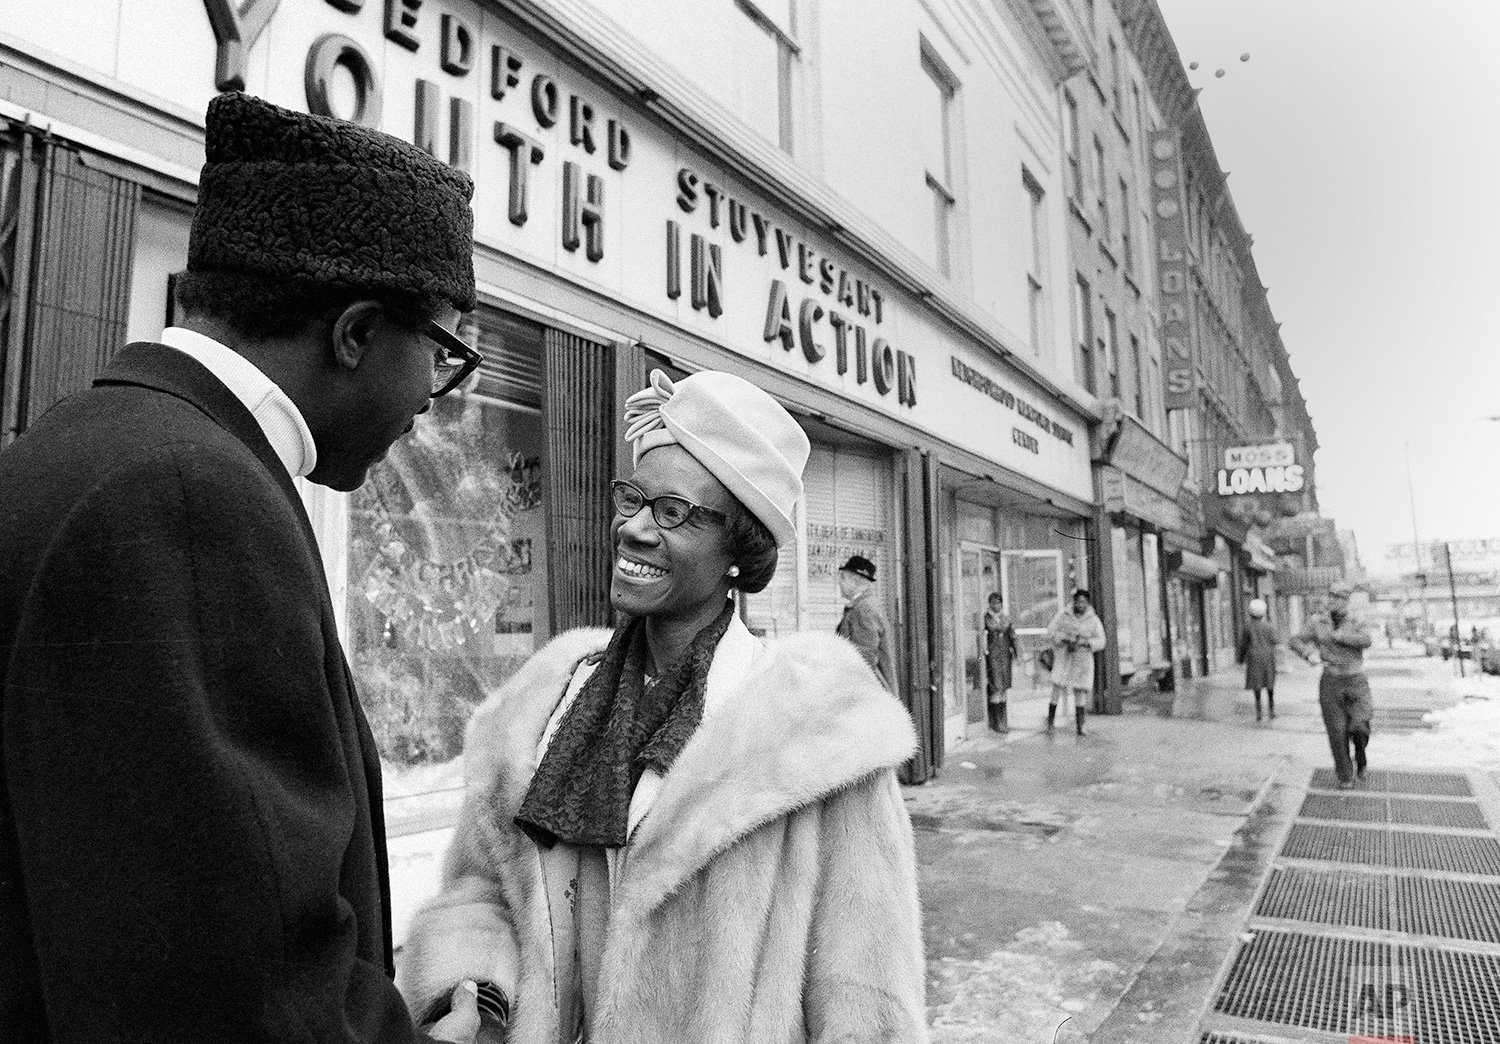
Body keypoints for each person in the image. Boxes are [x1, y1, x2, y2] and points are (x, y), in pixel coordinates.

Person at [0, 93, 485, 1043]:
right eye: (441, 354)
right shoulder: (188, 501)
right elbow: (230, 988)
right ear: (356, 334)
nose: (432, 399)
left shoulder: (99, 445)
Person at [397, 369, 928, 1043]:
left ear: (740, 548)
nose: (635, 530)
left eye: (673, 513)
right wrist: (478, 996)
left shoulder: (816, 739)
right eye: (633, 500)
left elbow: (866, 1003)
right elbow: (482, 889)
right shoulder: (551, 700)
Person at [1291, 581, 1374, 789]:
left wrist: (1341, 637)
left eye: (1337, 597)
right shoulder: (1317, 622)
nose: (1332, 601)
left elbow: (1366, 640)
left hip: (1356, 680)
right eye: (1330, 596)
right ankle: (1345, 775)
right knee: (1337, 731)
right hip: (1330, 681)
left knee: (1359, 726)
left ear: (1346, 600)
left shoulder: (1356, 619)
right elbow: (1295, 640)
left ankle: (1360, 756)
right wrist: (1307, 653)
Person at [1045, 589, 1106, 736]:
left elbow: (1101, 641)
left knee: (1080, 690)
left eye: (1084, 602)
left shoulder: (1093, 620)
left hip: (1082, 659)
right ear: (1074, 602)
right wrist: (1065, 638)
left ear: (1088, 603)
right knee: (1057, 688)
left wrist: (1086, 642)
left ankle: (1080, 725)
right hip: (1064, 656)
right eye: (1078, 602)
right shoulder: (1063, 615)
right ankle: (1050, 723)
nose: (1080, 605)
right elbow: (1050, 632)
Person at [836, 553, 895, 689]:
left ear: (855, 581)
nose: (839, 582)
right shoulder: (866, 605)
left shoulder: (863, 610)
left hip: (869, 696)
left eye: (843, 577)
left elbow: (863, 661)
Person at [1237, 598, 1279, 722]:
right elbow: (1275, 641)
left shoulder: (1247, 626)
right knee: (1270, 683)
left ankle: (1259, 712)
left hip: (1254, 658)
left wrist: (1240, 659)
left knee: (1257, 684)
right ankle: (1271, 711)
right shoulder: (1269, 626)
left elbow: (1243, 644)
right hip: (1268, 657)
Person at [983, 592, 1019, 732]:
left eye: (998, 602)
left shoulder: (1006, 618)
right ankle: (996, 721)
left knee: (1003, 688)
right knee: (996, 687)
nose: (995, 605)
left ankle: (1003, 720)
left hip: (1005, 656)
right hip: (992, 657)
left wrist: (1017, 653)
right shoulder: (986, 618)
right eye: (993, 602)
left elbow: (1013, 636)